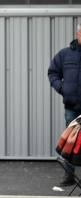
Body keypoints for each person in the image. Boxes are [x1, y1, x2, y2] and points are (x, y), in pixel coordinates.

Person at [48, 23, 81, 187]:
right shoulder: (64, 55)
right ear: (77, 34)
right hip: (72, 107)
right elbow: (53, 73)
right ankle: (69, 176)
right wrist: (63, 89)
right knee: (72, 141)